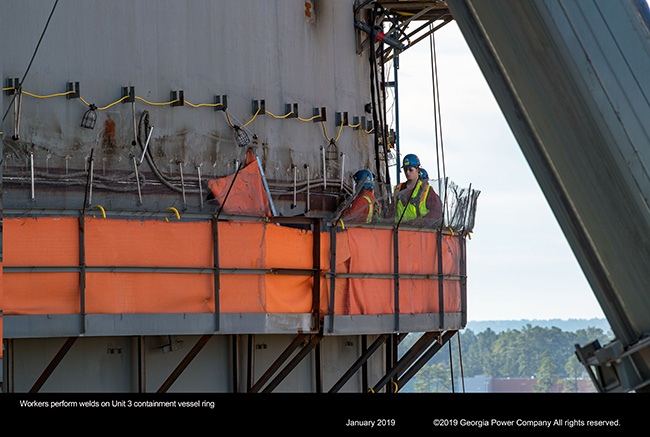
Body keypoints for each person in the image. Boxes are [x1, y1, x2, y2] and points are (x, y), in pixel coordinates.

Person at [393, 154, 442, 226]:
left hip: (419, 232)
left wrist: (422, 221)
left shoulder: (427, 190)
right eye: (405, 170)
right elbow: (391, 211)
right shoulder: (398, 189)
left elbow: (436, 213)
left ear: (418, 170)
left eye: (410, 170)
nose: (407, 173)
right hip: (399, 231)